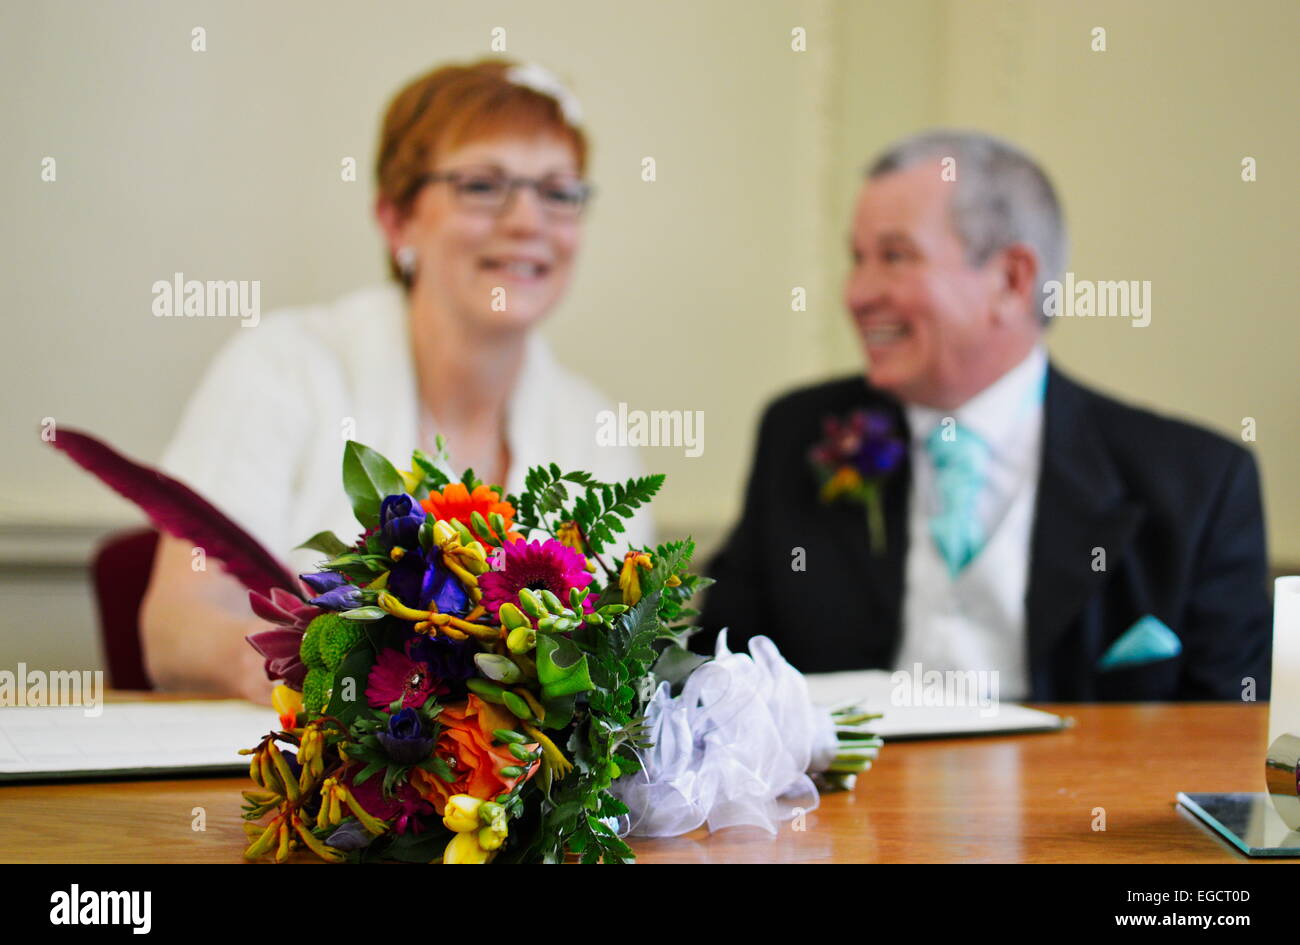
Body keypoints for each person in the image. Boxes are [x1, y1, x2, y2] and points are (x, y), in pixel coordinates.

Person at [141, 59, 654, 704]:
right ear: (396, 218)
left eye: (558, 191)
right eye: (482, 185)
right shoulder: (282, 367)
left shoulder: (592, 427)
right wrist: (329, 689)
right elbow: (174, 630)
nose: (529, 220)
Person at [697, 130, 1271, 702]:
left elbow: (1229, 746)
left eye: (895, 256)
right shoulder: (796, 433)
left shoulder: (1200, 483)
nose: (857, 294)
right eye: (858, 258)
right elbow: (718, 674)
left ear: (1011, 280)